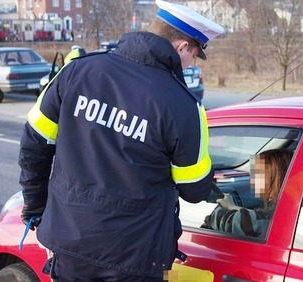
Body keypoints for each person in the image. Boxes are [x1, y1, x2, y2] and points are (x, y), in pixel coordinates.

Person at [18, 0, 224, 280]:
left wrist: (35, 208)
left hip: (69, 244)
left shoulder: (76, 72)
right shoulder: (184, 106)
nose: (188, 64)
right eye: (193, 55)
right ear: (182, 47)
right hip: (134, 258)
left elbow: (34, 144)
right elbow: (193, 188)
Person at [203, 149, 294, 238]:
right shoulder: (285, 207)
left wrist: (214, 215)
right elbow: (258, 215)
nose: (252, 179)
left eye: (258, 174)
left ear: (276, 177)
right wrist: (232, 207)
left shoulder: (277, 215)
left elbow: (244, 225)